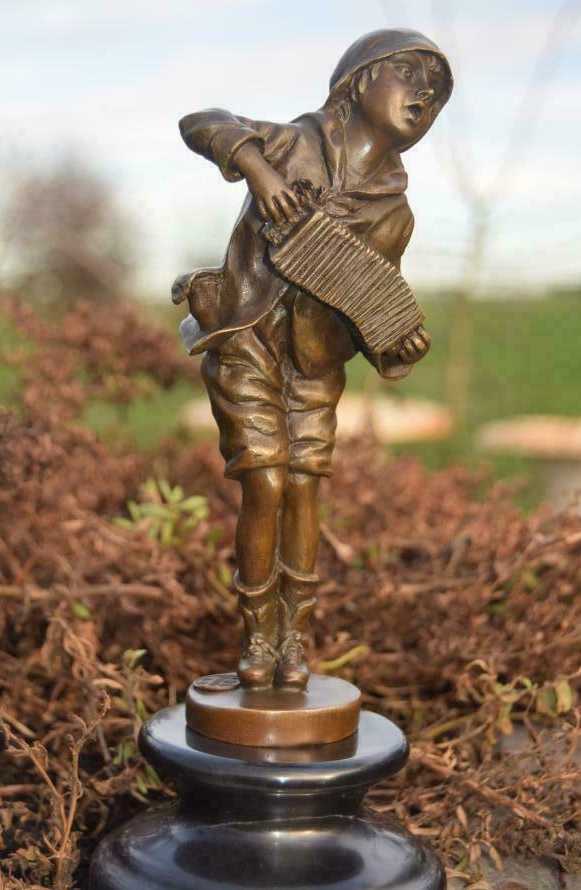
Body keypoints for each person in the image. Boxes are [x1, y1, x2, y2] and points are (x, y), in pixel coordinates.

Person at [173, 29, 453, 690]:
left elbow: (370, 307)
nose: (424, 95)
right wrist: (260, 172)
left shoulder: (396, 213)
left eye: (436, 93)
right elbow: (201, 122)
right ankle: (257, 633)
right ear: (357, 81)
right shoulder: (293, 142)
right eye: (409, 75)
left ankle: (293, 635)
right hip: (247, 338)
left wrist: (396, 346)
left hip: (316, 363)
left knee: (303, 491)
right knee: (265, 482)